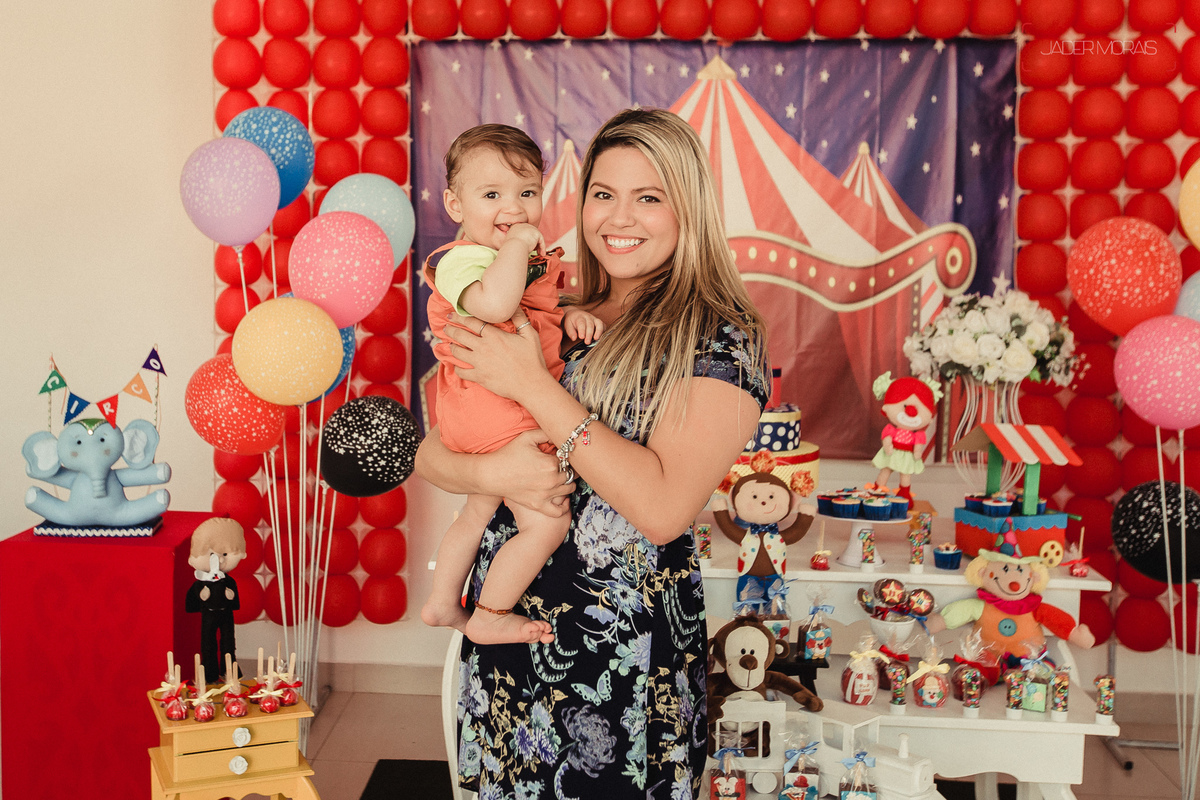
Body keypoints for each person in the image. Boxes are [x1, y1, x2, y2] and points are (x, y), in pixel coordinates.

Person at [416, 108, 770, 799]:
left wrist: (529, 385)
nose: (620, 218)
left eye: (649, 197)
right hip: (510, 634)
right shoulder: (551, 310)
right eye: (604, 194)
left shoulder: (720, 337)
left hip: (621, 658)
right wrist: (489, 472)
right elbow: (436, 448)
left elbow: (664, 510)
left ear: (687, 206)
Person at [420, 124, 605, 646]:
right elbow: (499, 306)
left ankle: (441, 601)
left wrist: (567, 319)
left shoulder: (515, 260)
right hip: (495, 406)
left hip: (477, 411)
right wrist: (521, 244)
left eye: (527, 193)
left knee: (479, 507)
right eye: (492, 194)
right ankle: (490, 614)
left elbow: (531, 312)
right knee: (546, 524)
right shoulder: (460, 260)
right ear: (456, 205)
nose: (514, 207)